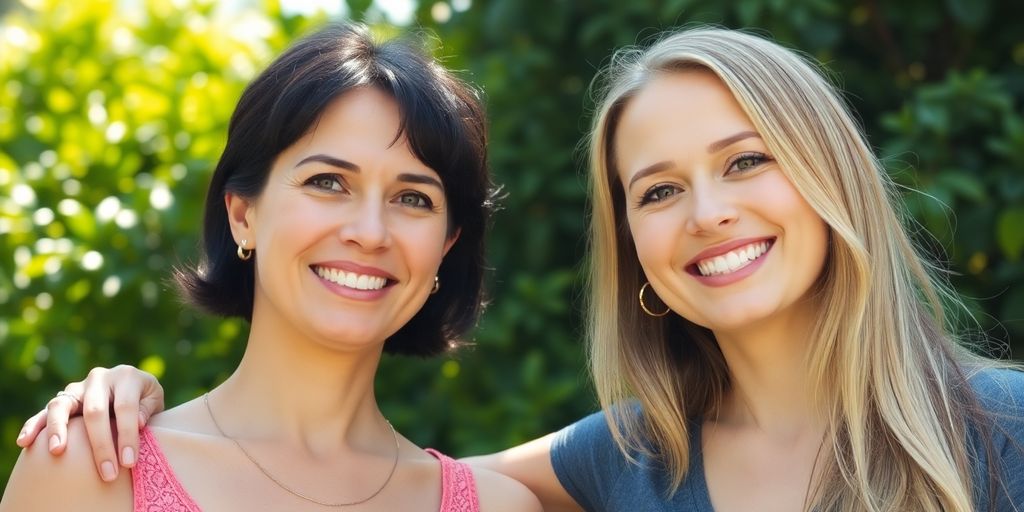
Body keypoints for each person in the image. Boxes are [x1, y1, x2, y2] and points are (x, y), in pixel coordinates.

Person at [13, 27, 1024, 511]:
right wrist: (120, 397)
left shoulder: (1001, 431)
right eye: (658, 188)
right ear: (241, 210)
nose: (708, 211)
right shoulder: (624, 458)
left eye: (747, 160)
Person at [0, 22, 540, 512]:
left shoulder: (500, 507)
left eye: (413, 198)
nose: (370, 232)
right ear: (243, 216)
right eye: (327, 183)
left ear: (446, 245)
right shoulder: (91, 469)